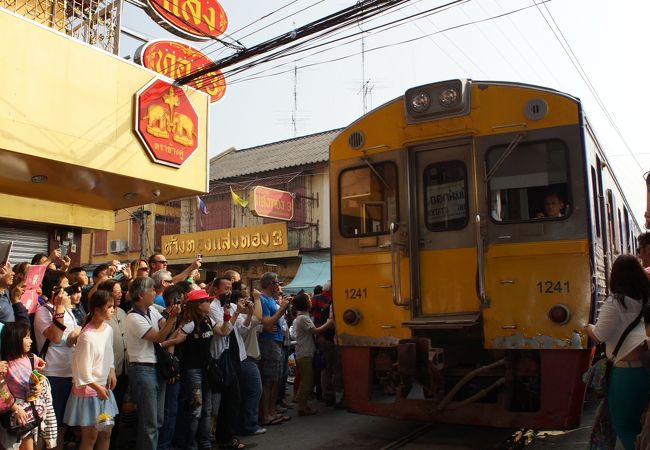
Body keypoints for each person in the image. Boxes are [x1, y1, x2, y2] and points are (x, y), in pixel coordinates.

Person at [585, 255, 650, 450]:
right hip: (644, 369)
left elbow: (598, 336)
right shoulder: (643, 300)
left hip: (625, 373)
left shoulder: (615, 303)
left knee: (625, 427)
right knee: (639, 424)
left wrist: (587, 326)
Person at [124, 277, 180, 450]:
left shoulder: (152, 311)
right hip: (142, 369)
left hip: (155, 368)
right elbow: (159, 336)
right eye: (152, 291)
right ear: (141, 295)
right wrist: (171, 320)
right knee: (149, 422)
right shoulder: (133, 317)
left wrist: (174, 315)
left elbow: (167, 327)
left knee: (157, 419)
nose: (155, 293)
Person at [63, 290, 118, 450]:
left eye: (113, 306)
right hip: (90, 393)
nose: (112, 309)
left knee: (106, 431)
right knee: (91, 436)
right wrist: (97, 388)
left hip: (104, 391)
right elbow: (81, 371)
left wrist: (111, 370)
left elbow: (109, 353)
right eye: (109, 306)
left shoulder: (108, 329)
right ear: (96, 310)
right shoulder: (86, 337)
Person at [34, 270, 81, 450]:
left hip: (70, 372)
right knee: (49, 427)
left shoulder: (68, 310)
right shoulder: (43, 311)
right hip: (53, 373)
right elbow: (54, 336)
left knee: (61, 425)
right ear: (55, 291)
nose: (68, 292)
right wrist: (59, 307)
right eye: (65, 287)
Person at [172, 289, 216, 450]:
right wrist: (162, 345)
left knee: (207, 409)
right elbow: (177, 340)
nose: (209, 303)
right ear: (198, 305)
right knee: (196, 409)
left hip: (206, 369)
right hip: (193, 371)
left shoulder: (207, 320)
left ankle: (205, 442)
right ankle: (192, 444)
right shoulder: (189, 324)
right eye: (206, 301)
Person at [208, 279, 247, 450]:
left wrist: (244, 312)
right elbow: (224, 331)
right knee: (226, 400)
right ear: (216, 290)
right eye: (226, 289)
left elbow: (242, 328)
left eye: (231, 289)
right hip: (220, 359)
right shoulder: (213, 307)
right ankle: (223, 438)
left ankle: (226, 435)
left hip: (233, 356)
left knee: (233, 398)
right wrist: (236, 313)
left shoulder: (230, 306)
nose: (229, 292)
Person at [0, 322, 48, 450]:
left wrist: (37, 389)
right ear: (14, 339)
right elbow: (1, 391)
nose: (31, 341)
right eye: (26, 337)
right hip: (12, 413)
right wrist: (15, 408)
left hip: (29, 412)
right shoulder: (4, 365)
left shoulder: (30, 358)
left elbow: (35, 378)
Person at [96, 280, 128, 450]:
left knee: (116, 414)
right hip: (104, 376)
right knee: (103, 417)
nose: (120, 294)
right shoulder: (98, 318)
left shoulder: (122, 312)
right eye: (116, 292)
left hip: (122, 372)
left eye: (120, 291)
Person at [291, 292, 334, 416]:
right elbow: (316, 331)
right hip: (304, 353)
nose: (311, 301)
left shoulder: (303, 316)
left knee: (307, 380)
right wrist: (329, 323)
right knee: (307, 381)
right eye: (308, 300)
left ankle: (304, 405)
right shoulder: (303, 318)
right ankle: (301, 406)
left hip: (305, 352)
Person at [257, 272, 290, 427]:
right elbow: (267, 324)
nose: (278, 285)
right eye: (276, 282)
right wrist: (282, 309)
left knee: (276, 379)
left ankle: (272, 411)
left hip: (276, 341)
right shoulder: (263, 299)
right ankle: (266, 414)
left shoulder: (270, 299)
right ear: (271, 283)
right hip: (269, 342)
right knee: (269, 380)